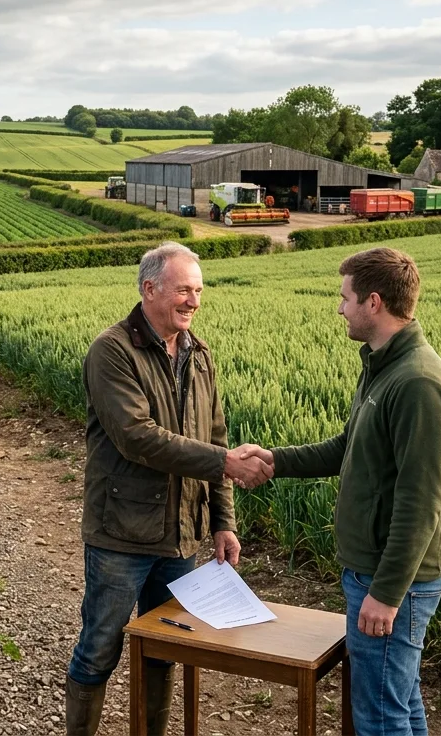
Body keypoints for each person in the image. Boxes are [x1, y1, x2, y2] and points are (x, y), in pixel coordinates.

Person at [236, 247, 441, 736]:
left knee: (379, 716)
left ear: (373, 302)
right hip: (374, 573)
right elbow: (349, 448)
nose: (339, 308)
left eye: (345, 298)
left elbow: (421, 503)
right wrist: (275, 461)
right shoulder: (383, 366)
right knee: (397, 703)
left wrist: (386, 592)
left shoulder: (417, 382)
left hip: (391, 580)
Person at [65, 242, 273, 736]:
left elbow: (214, 436)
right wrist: (223, 461)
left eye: (198, 290)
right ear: (149, 288)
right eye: (184, 289)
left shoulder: (199, 355)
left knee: (165, 648)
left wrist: (223, 521)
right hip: (122, 534)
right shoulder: (112, 350)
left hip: (182, 537)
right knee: (100, 646)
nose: (193, 301)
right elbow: (137, 438)